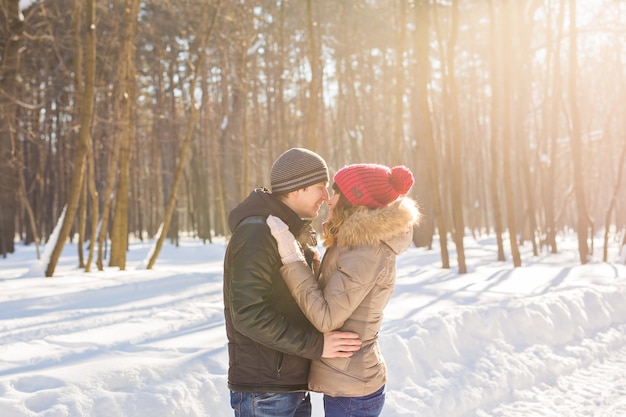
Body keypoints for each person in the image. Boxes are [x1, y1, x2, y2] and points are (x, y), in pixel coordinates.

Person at [267, 163, 421, 417]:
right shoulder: (357, 243)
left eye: (336, 192)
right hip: (348, 382)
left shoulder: (365, 249)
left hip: (352, 391)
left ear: (354, 200)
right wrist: (317, 268)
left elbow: (327, 317)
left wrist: (292, 260)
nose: (329, 199)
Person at [223, 148, 363, 417]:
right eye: (320, 187)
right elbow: (248, 314)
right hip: (265, 390)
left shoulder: (288, 231)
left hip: (289, 384)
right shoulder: (257, 232)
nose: (326, 196)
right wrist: (317, 345)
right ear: (297, 188)